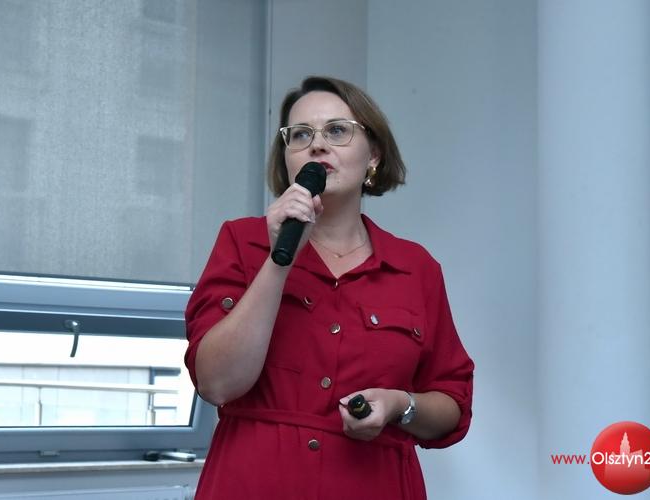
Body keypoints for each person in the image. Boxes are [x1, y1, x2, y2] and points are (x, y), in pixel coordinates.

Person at [184, 75, 474, 500]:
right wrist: (279, 261)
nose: (317, 145)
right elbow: (218, 384)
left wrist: (399, 405)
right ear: (287, 159)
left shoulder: (416, 268)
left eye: (337, 130)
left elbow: (452, 404)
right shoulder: (241, 243)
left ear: (373, 154)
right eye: (301, 135)